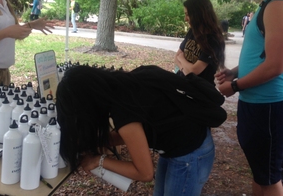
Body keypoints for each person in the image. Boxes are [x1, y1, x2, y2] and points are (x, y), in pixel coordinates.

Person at [56, 64, 227, 196]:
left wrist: (98, 161)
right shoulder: (126, 85)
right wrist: (97, 142)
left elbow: (144, 173)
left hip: (191, 154)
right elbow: (131, 135)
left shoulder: (122, 110)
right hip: (180, 147)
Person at [215, 0, 283, 196]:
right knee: (260, 172)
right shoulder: (266, 5)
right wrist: (235, 71)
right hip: (255, 105)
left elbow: (275, 66)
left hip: (267, 107)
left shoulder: (278, 5)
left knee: (270, 178)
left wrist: (233, 86)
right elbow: (260, 56)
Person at [173, 0, 225, 193]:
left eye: (188, 14)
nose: (186, 18)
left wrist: (184, 64)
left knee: (197, 133)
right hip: (182, 87)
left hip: (199, 95)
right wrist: (185, 65)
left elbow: (194, 71)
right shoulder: (192, 32)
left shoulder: (212, 38)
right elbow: (177, 56)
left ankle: (194, 167)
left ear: (198, 13)